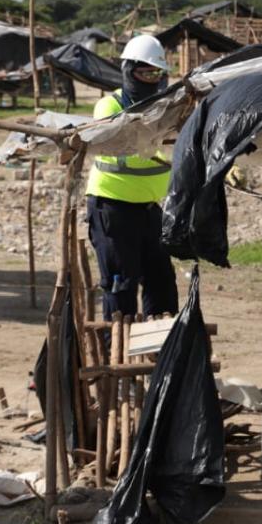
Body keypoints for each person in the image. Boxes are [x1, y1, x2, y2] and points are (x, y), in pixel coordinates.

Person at [85, 34, 178, 321]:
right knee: (121, 283)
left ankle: (159, 343)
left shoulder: (165, 106)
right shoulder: (110, 105)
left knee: (162, 282)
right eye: (145, 73)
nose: (152, 80)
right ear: (129, 71)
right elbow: (123, 140)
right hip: (112, 206)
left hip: (149, 207)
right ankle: (117, 344)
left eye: (157, 74)